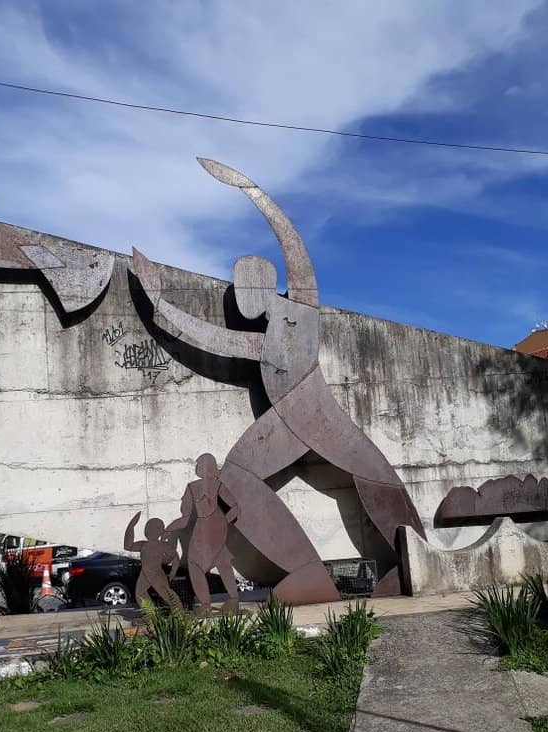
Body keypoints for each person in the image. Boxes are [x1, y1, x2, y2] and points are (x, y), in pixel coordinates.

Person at [133, 158, 425, 601]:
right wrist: (158, 301)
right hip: (286, 422)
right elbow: (211, 337)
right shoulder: (262, 339)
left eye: (247, 284)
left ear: (265, 283)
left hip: (313, 410)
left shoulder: (302, 307)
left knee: (377, 478)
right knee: (232, 478)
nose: (242, 294)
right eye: (239, 284)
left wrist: (251, 191)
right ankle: (309, 574)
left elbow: (296, 251)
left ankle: (415, 560)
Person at [166, 453, 240, 616]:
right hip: (217, 526)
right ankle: (233, 600)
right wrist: (223, 522)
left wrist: (169, 527)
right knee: (223, 561)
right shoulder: (218, 485)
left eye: (198, 464)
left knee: (194, 564)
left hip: (204, 527)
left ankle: (206, 604)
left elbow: (185, 518)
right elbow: (235, 508)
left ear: (201, 468)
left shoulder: (192, 487)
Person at [123, 511, 183, 610]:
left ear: (159, 531)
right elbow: (128, 546)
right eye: (147, 528)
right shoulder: (144, 544)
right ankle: (150, 614)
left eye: (151, 528)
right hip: (145, 574)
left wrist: (173, 572)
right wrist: (131, 527)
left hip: (157, 573)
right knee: (140, 594)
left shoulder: (162, 545)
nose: (147, 530)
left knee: (166, 593)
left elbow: (175, 558)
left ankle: (179, 613)